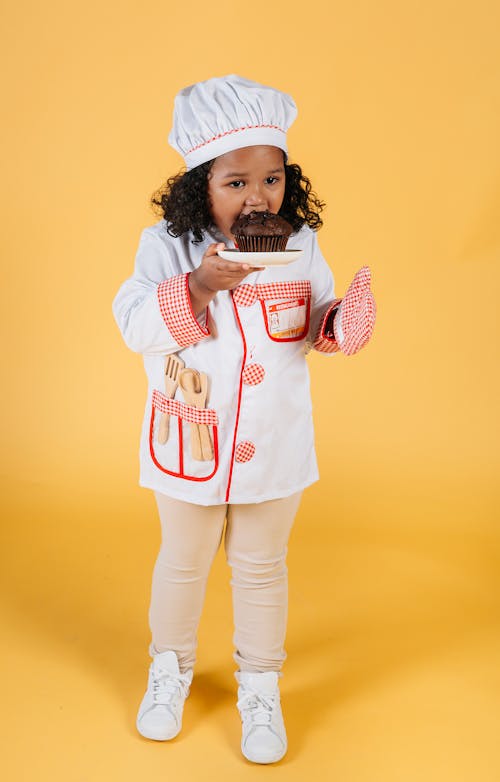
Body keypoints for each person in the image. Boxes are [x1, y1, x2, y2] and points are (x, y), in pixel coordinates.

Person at [112, 74, 376, 764]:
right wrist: (197, 286)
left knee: (262, 567)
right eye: (235, 183)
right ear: (201, 185)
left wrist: (343, 324)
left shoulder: (301, 245)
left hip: (275, 444)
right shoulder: (165, 247)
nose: (257, 197)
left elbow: (313, 323)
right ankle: (166, 669)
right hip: (191, 440)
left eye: (272, 179)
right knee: (184, 562)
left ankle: (260, 685)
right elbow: (135, 324)